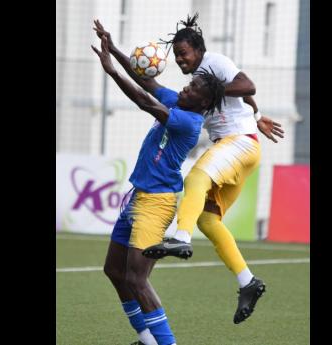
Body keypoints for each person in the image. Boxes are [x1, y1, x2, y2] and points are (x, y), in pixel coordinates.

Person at [142, 14, 284, 324]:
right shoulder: (199, 82)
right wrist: (257, 113)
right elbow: (245, 92)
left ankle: (181, 237)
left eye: (183, 53)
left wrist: (241, 105)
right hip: (241, 146)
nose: (180, 60)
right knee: (208, 220)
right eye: (177, 55)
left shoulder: (214, 63)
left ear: (197, 49)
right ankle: (248, 282)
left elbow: (248, 84)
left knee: (196, 177)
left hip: (237, 142)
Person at [91, 19, 226, 345]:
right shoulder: (179, 101)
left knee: (137, 279)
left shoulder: (188, 121)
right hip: (138, 197)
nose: (186, 87)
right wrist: (114, 49)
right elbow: (146, 81)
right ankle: (147, 341)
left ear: (203, 102)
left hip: (157, 202)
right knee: (114, 271)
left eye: (194, 88)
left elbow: (143, 100)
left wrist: (111, 71)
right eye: (190, 84)